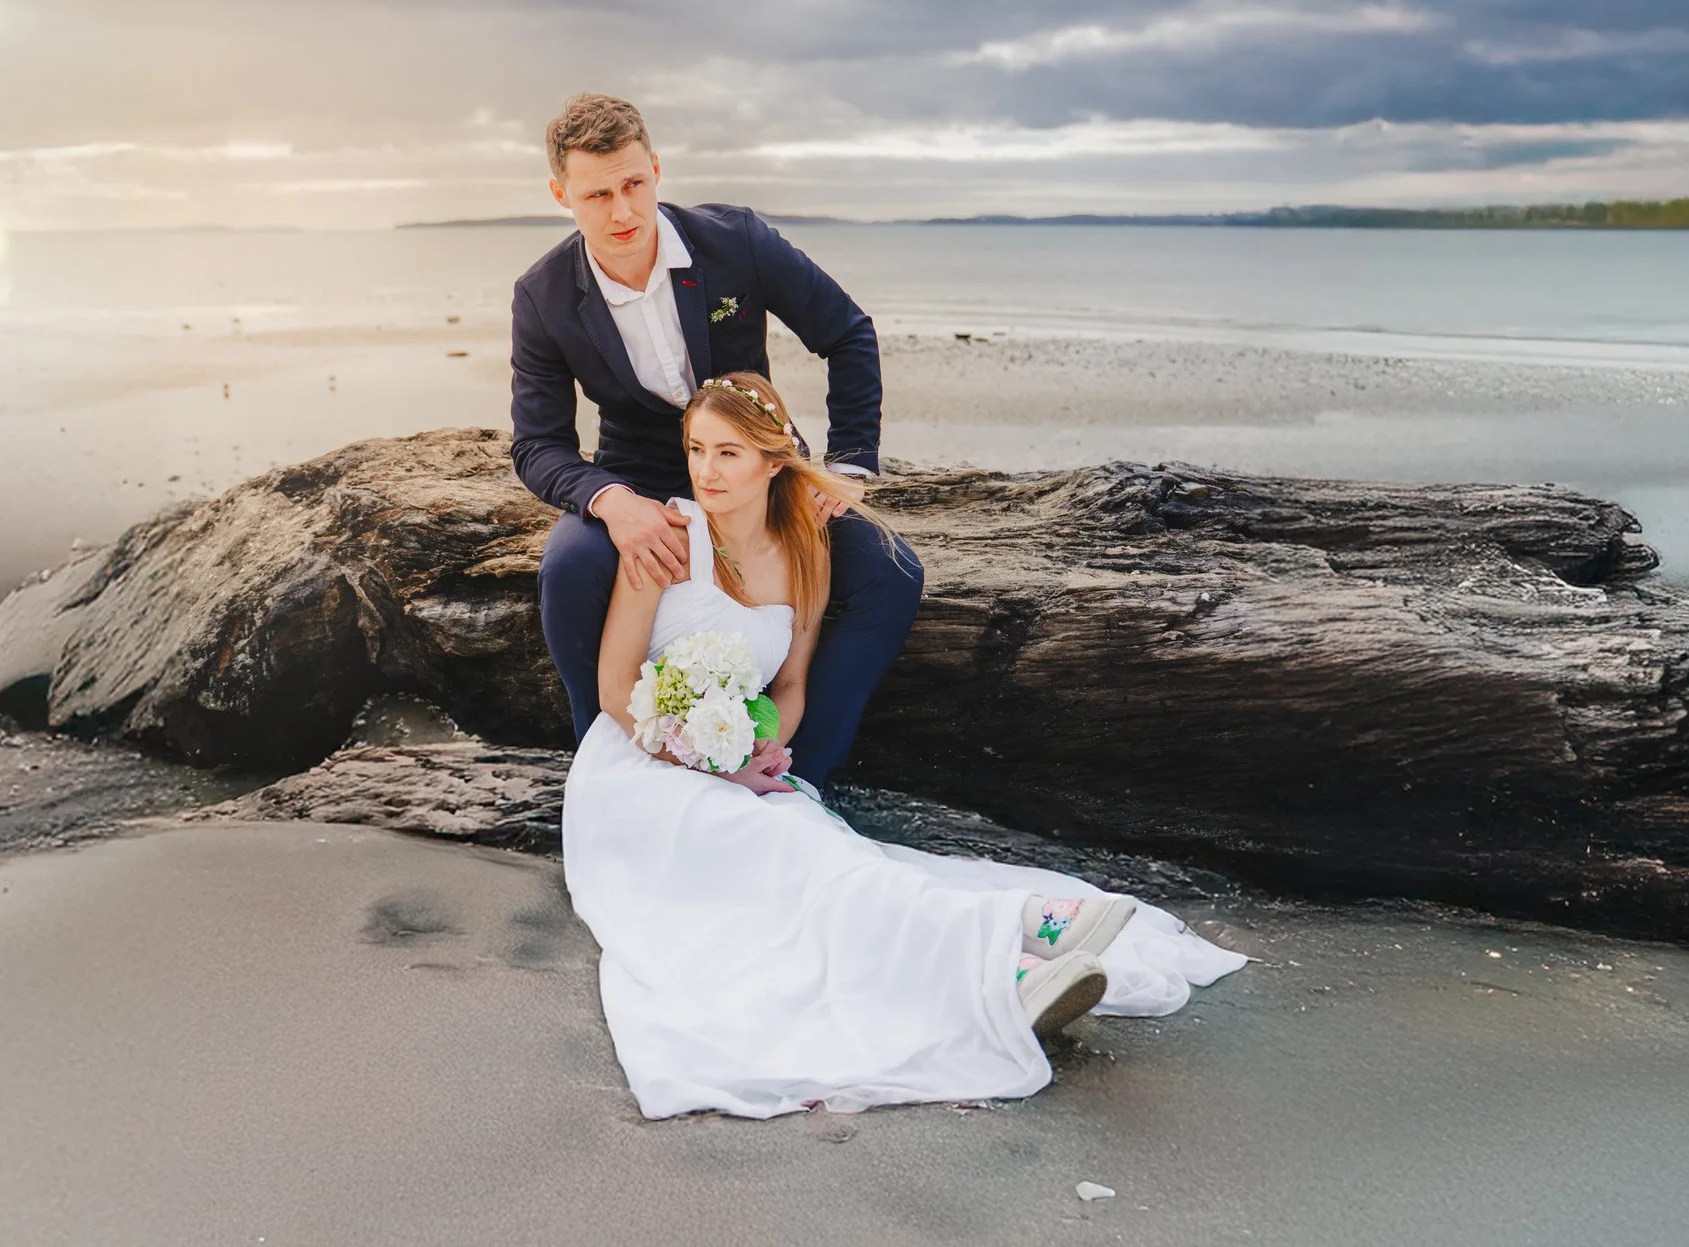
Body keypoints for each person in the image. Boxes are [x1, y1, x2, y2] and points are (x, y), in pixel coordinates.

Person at [563, 372, 1245, 1119]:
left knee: (825, 857)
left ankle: (1011, 958)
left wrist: (758, 748)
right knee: (785, 858)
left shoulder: (802, 555)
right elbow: (614, 687)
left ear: (773, 460)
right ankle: (1011, 945)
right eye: (696, 449)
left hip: (733, 773)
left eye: (728, 452)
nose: (706, 469)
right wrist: (702, 757)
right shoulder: (667, 536)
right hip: (637, 775)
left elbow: (789, 687)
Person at [509, 93, 921, 786]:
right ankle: (607, 773)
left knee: (891, 571)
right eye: (598, 194)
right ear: (561, 194)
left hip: (758, 465)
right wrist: (609, 499)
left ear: (657, 169)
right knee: (568, 571)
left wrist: (848, 467)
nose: (623, 212)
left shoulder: (737, 242)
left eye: (635, 184)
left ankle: (800, 775)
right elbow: (538, 444)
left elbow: (848, 334)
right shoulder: (543, 295)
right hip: (637, 472)